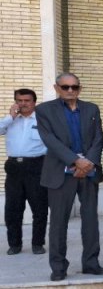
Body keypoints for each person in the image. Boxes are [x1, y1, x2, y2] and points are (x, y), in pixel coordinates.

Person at [37, 73, 103, 281]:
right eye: (65, 87)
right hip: (60, 172)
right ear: (56, 88)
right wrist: (75, 161)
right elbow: (50, 140)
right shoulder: (44, 110)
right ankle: (58, 267)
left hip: (89, 171)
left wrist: (87, 163)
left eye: (74, 87)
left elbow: (98, 138)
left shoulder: (91, 109)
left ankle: (91, 263)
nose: (69, 90)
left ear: (79, 89)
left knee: (91, 220)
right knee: (59, 222)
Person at [0, 88, 48, 256]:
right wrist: (10, 117)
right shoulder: (10, 121)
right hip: (14, 168)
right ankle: (14, 244)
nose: (23, 104)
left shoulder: (43, 121)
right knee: (12, 209)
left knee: (39, 208)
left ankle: (37, 244)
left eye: (27, 101)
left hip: (36, 166)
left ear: (34, 102)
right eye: (19, 100)